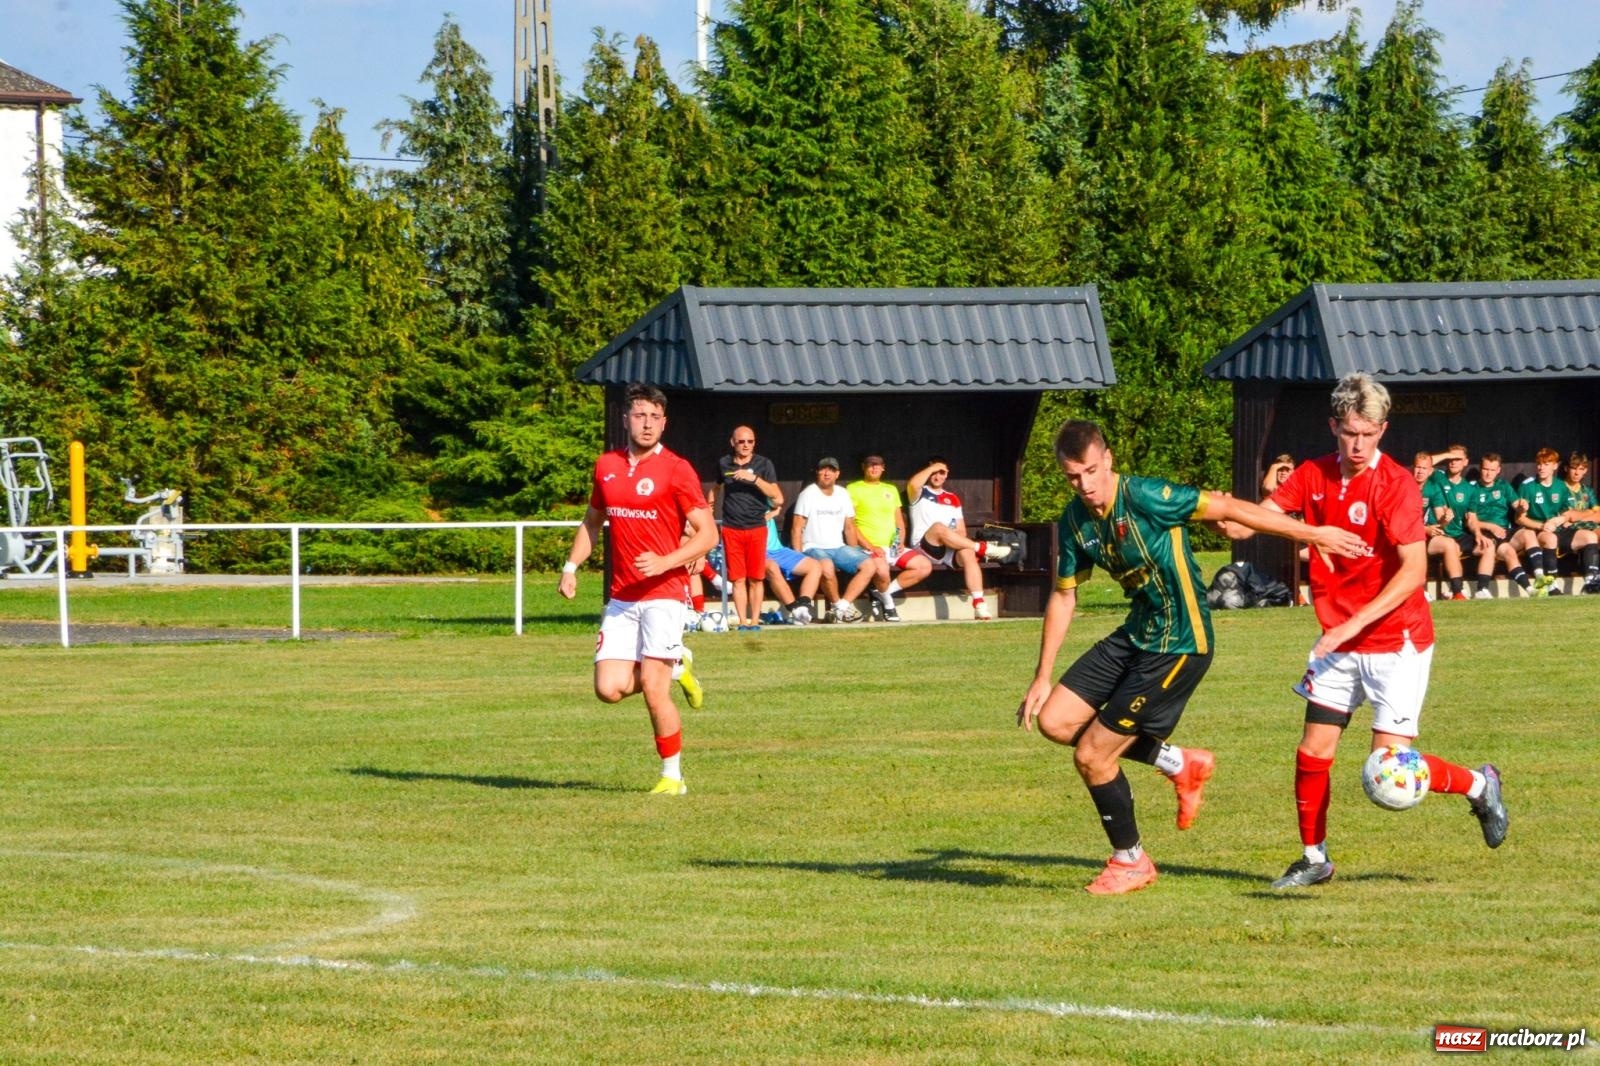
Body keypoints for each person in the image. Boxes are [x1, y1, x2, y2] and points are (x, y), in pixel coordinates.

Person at [1016, 420, 1367, 896]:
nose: (1086, 485)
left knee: (1093, 756)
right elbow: (1064, 597)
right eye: (1073, 477)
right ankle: (1178, 762)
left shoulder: (1146, 496)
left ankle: (1131, 861)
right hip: (1136, 634)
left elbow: (1228, 507)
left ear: (1109, 460)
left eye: (1092, 472)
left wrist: (1311, 533)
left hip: (1179, 642)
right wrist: (1042, 676)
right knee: (1055, 720)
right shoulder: (1075, 520)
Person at [1253, 373, 1507, 890]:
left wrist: (1351, 622)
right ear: (1334, 427)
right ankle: (1313, 857)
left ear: (1383, 430)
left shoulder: (1394, 486)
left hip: (1397, 640)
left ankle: (1480, 785)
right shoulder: (1312, 475)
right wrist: (1219, 515)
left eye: (1369, 434)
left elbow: (1413, 573)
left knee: (1389, 770)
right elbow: (1259, 519)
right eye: (1350, 433)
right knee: (1313, 749)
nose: (1359, 445)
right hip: (1338, 645)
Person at [558, 383, 716, 796]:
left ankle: (673, 777)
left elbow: (708, 535)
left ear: (664, 423)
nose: (647, 424)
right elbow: (592, 523)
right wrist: (571, 566)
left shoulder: (677, 469)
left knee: (653, 690)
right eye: (640, 415)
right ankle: (676, 664)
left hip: (665, 592)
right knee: (607, 689)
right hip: (622, 596)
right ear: (626, 419)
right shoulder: (606, 465)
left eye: (655, 417)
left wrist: (667, 561)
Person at [908, 457, 1012, 621]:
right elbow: (913, 484)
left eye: (941, 472)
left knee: (968, 553)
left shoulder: (952, 499)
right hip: (924, 547)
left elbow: (961, 530)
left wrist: (953, 537)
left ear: (947, 474)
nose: (937, 476)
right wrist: (934, 466)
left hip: (948, 548)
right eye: (934, 472)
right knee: (939, 527)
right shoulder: (920, 493)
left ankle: (979, 604)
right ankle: (984, 549)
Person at [790, 456, 890, 623]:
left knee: (869, 565)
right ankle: (837, 606)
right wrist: (798, 555)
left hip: (838, 547)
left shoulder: (843, 494)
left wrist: (855, 550)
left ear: (837, 474)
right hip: (813, 547)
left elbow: (849, 526)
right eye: (823, 470)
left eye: (831, 470)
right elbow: (796, 527)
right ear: (817, 473)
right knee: (826, 567)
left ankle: (842, 607)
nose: (827, 473)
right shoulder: (808, 494)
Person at [847, 454, 933, 622]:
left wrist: (900, 541)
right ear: (863, 467)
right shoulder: (853, 489)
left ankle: (881, 593)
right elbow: (850, 524)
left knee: (924, 566)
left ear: (883, 468)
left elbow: (899, 520)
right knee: (882, 570)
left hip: (892, 546)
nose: (874, 468)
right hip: (868, 548)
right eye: (870, 465)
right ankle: (889, 605)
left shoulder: (891, 489)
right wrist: (870, 546)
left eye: (878, 465)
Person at [718, 426, 783, 630]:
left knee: (756, 577)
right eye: (741, 442)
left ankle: (755, 621)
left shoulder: (764, 464)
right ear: (733, 442)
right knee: (738, 579)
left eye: (750, 441)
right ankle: (743, 622)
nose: (746, 445)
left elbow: (776, 495)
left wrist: (753, 478)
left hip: (756, 527)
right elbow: (715, 487)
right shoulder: (723, 463)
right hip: (731, 527)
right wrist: (708, 508)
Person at [1510, 447, 1574, 597]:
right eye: (1539, 463)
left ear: (1555, 466)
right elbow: (1519, 518)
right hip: (1533, 530)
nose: (1541, 467)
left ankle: (1591, 582)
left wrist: (1559, 519)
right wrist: (1541, 526)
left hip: (1553, 527)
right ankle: (1552, 585)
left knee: (1587, 537)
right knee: (1550, 538)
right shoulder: (1528, 486)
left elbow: (1567, 513)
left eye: (1546, 464)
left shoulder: (1561, 486)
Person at [1465, 453, 1527, 598]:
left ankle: (1532, 587)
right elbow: (1470, 520)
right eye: (1486, 469)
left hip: (1504, 532)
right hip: (1483, 533)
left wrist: (1523, 506)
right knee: (1489, 547)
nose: (1488, 473)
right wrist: (1490, 526)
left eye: (1492, 470)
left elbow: (1517, 505)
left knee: (1523, 539)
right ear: (1481, 469)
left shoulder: (1503, 486)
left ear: (1498, 470)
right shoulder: (1473, 489)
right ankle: (1481, 589)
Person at [763, 510, 833, 624]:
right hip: (755, 550)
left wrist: (775, 507)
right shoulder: (739, 501)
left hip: (777, 550)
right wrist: (772, 514)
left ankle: (803, 607)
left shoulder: (766, 499)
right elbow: (750, 522)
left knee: (815, 566)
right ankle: (795, 610)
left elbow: (778, 500)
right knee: (772, 567)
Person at [1413, 451, 1466, 600]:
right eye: (1418, 467)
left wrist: (1446, 518)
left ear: (1430, 472)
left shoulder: (1433, 488)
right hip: (1408, 535)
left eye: (1424, 468)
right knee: (1416, 546)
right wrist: (1424, 529)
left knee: (1450, 544)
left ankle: (1457, 592)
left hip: (1425, 534)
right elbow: (1400, 521)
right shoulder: (1404, 485)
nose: (1420, 471)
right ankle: (1419, 591)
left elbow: (1439, 519)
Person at [1558, 453, 1600, 594]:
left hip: (1585, 526)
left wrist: (1581, 517)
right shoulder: (1559, 488)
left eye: (1581, 469)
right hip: (1567, 532)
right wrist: (1588, 512)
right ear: (1566, 468)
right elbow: (1567, 516)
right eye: (1574, 468)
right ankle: (1591, 581)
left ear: (1585, 470)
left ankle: (1594, 579)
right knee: (1591, 536)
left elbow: (1598, 514)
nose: (1577, 472)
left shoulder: (1587, 490)